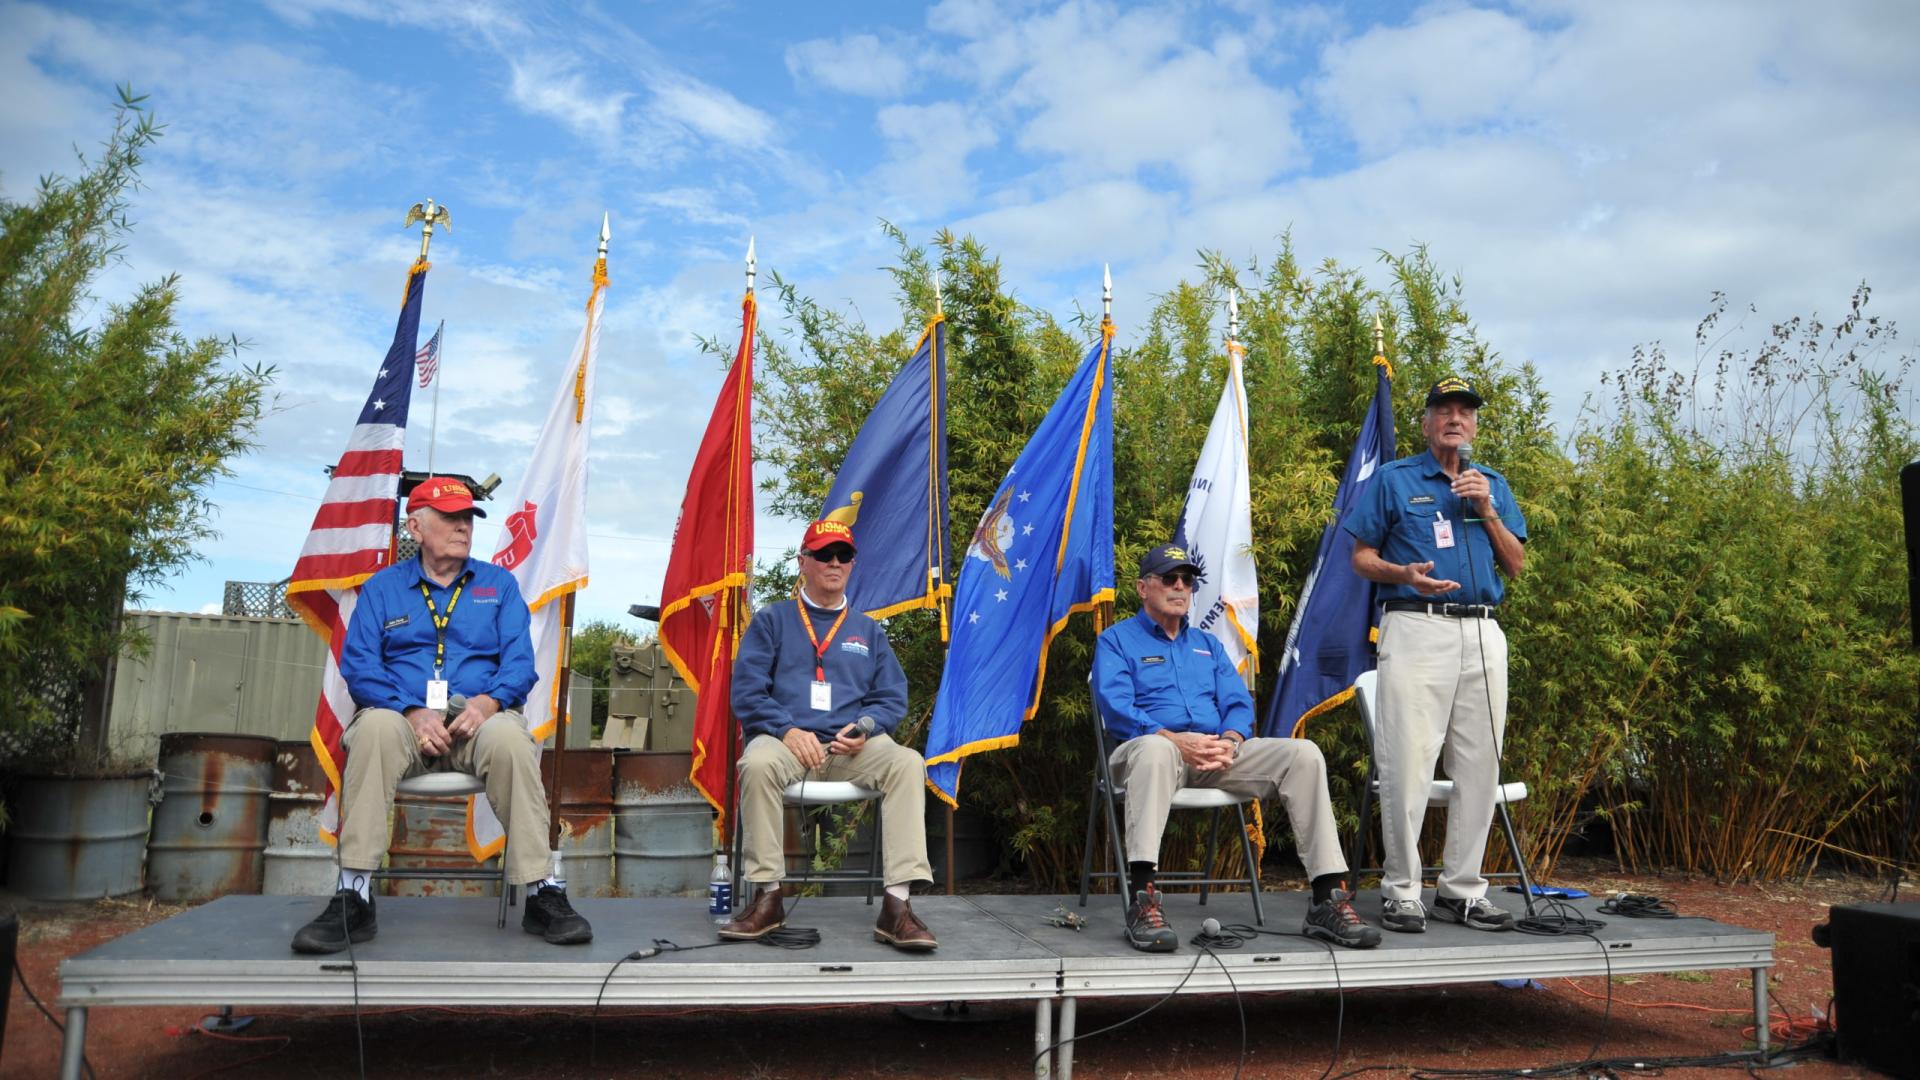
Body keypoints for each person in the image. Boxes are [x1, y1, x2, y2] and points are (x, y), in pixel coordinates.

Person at [291, 476, 592, 953]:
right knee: (372, 730)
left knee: (514, 739)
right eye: (451, 517)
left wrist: (487, 703)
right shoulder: (382, 589)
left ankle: (540, 892)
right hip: (402, 719)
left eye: (468, 518)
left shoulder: (498, 585)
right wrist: (410, 711)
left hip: (477, 720)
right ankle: (355, 894)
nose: (463, 527)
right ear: (415, 526)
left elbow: (520, 663)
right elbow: (360, 667)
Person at [1093, 544, 1380, 953]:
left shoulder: (1208, 645)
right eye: (1169, 578)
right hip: (1147, 753)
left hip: (1214, 753)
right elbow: (1117, 708)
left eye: (1187, 581)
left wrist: (1230, 741)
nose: (1180, 587)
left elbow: (1237, 704)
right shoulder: (1117, 640)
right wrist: (1174, 739)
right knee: (1155, 752)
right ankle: (1143, 899)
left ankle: (1326, 897)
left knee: (1304, 754)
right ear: (1143, 587)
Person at [1346, 377, 1528, 933]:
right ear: (1425, 424)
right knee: (1407, 762)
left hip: (1483, 634)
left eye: (1465, 412)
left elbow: (1517, 565)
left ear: (1475, 425)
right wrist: (1401, 574)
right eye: (1443, 410)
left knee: (1480, 763)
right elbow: (1360, 557)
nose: (1455, 419)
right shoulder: (1394, 480)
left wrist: (1487, 509)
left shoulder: (1491, 483)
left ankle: (1462, 889)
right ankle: (1402, 889)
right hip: (1416, 625)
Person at [721, 519, 937, 950]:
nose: (834, 563)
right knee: (757, 762)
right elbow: (746, 692)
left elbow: (891, 698)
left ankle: (897, 907)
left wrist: (865, 729)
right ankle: (768, 897)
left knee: (908, 762)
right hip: (786, 745)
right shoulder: (771, 621)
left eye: (843, 555)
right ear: (804, 562)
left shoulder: (869, 630)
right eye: (823, 555)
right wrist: (785, 729)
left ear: (853, 565)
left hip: (849, 750)